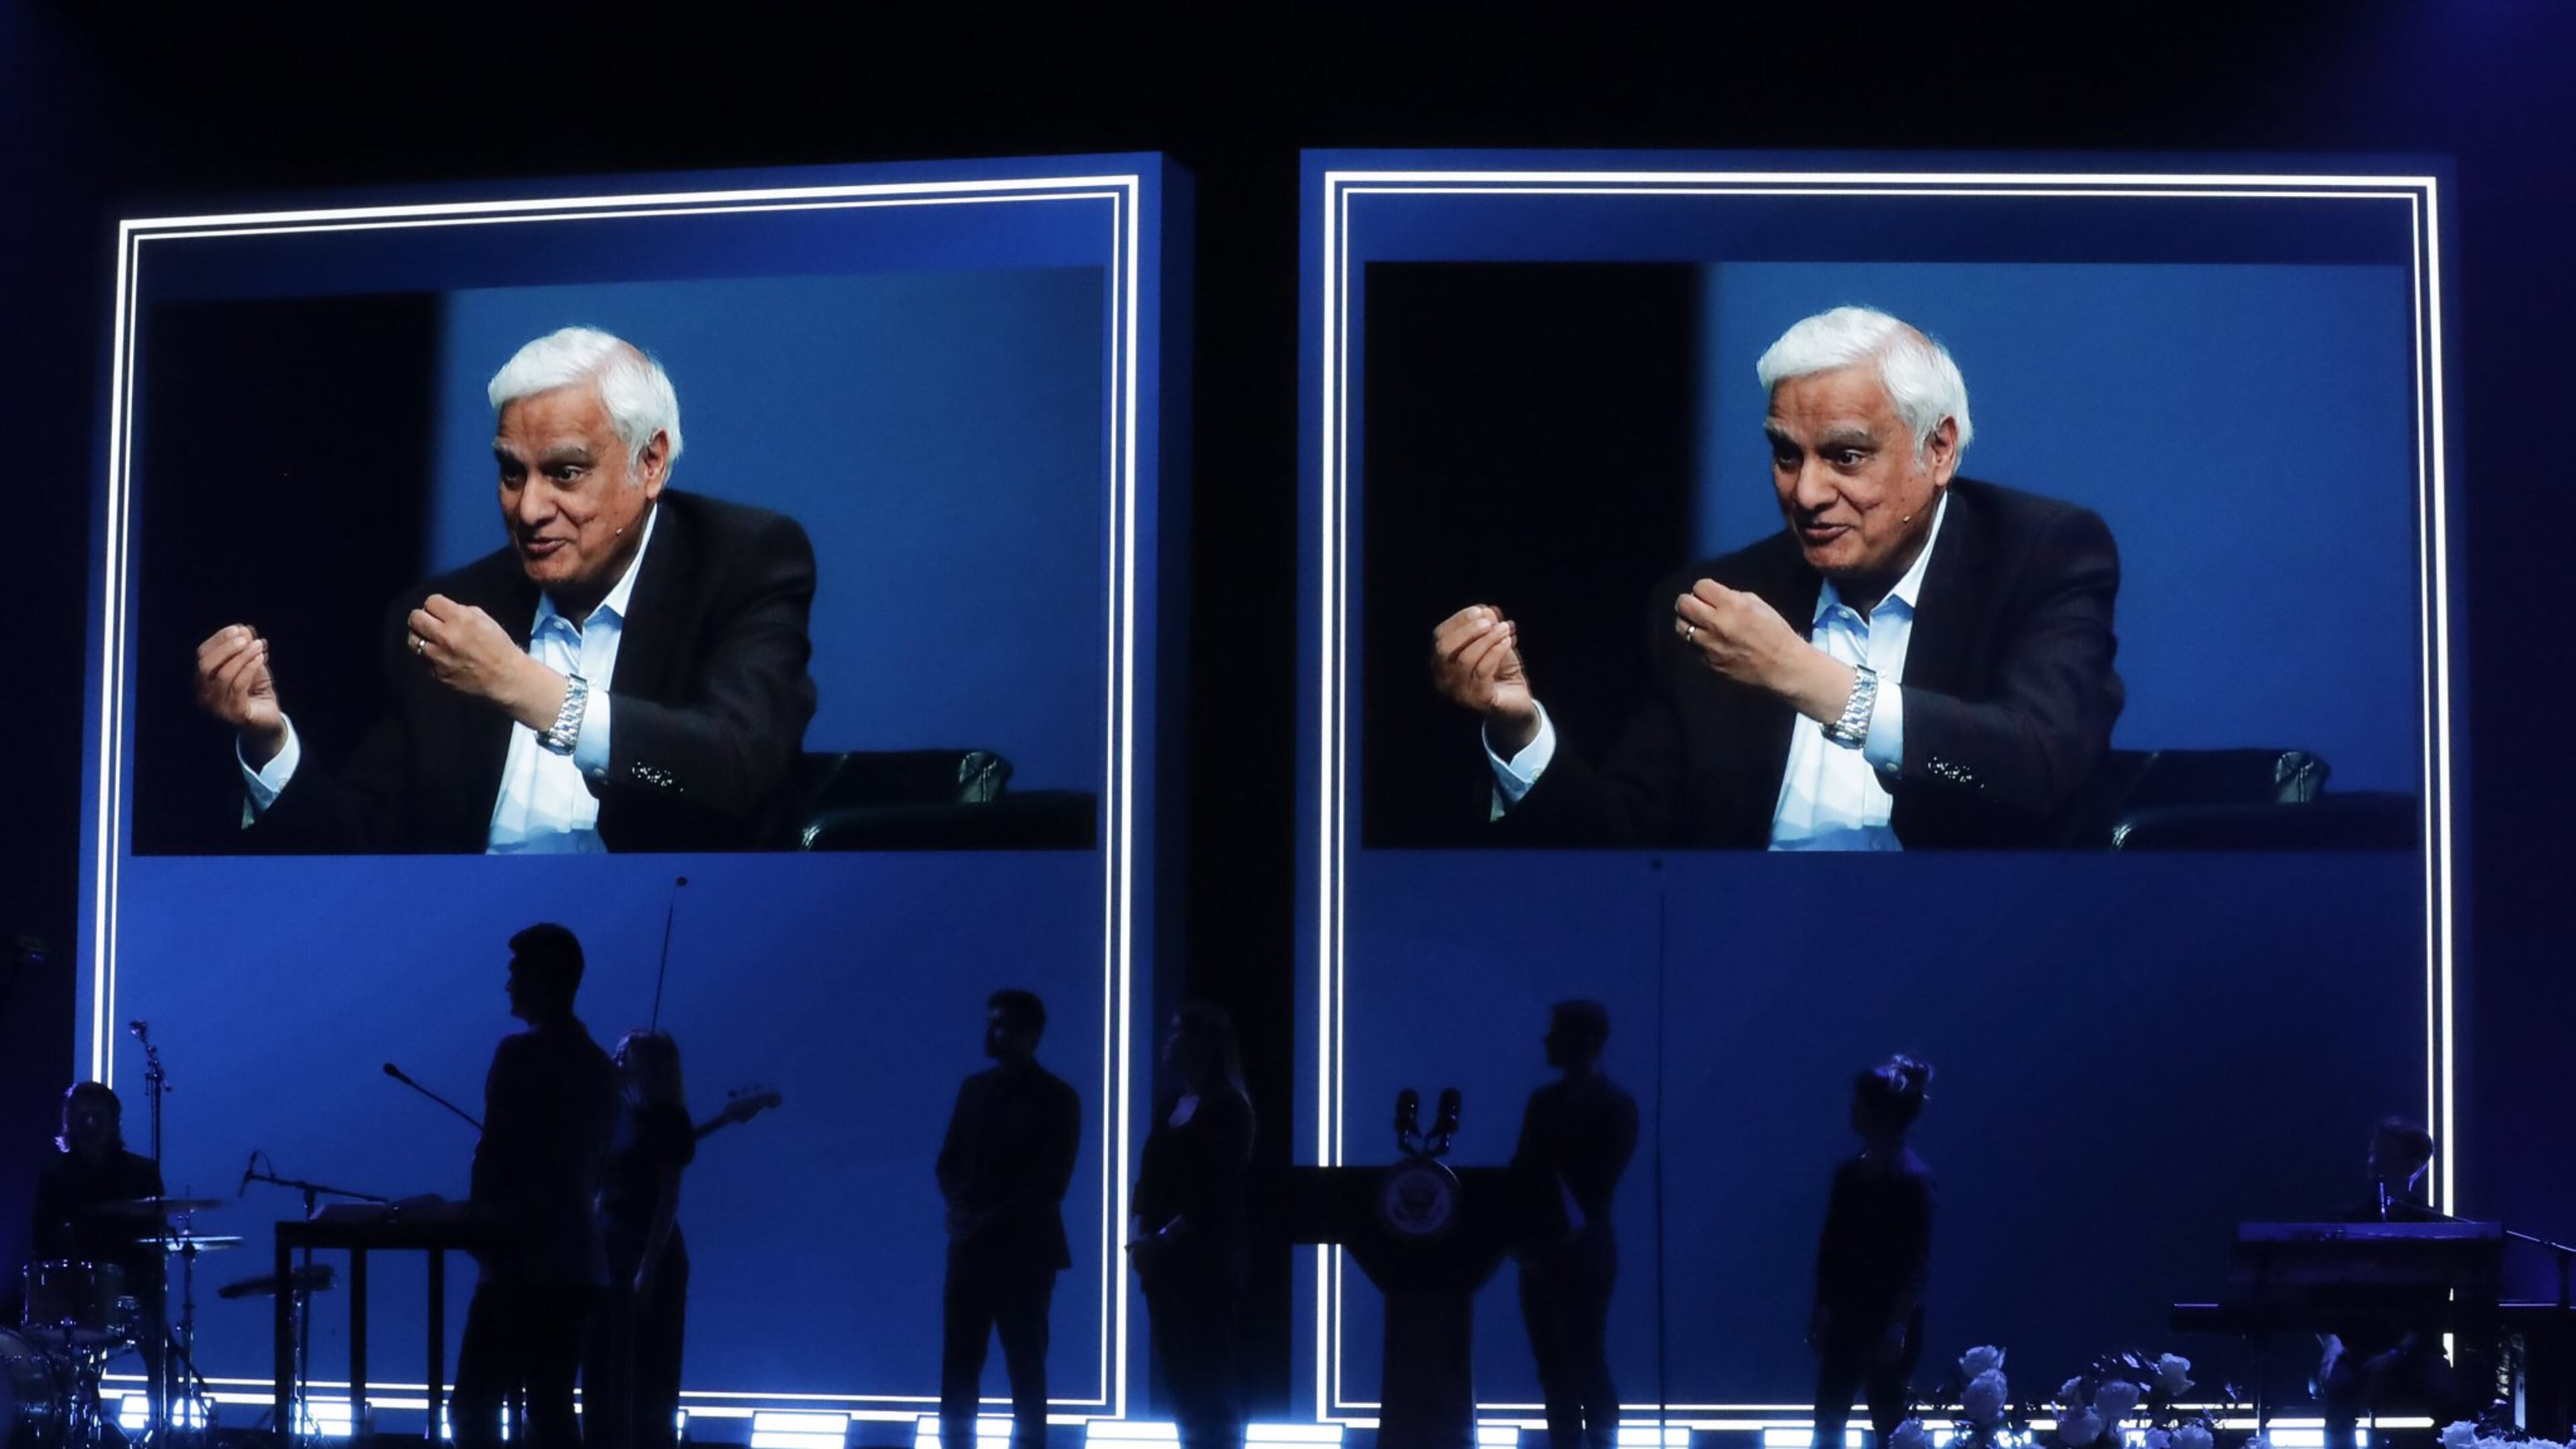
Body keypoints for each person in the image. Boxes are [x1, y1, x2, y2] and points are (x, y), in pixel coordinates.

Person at [1430, 306, 2124, 850]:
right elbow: (1628, 849)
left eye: (1846, 457)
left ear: (1937, 449)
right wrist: (1520, 731)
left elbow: (2041, 766)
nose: (1808, 492)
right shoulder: (1719, 602)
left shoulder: (2041, 554)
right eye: (1786, 456)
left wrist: (1802, 676)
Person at [192, 325, 818, 853]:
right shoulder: (449, 617)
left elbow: (739, 767)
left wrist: (523, 687)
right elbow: (371, 851)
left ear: (650, 463)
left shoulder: (740, 562)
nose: (530, 508)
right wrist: (269, 741)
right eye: (512, 473)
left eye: (565, 473)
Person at [451, 923, 622, 1449]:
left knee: (475, 1407)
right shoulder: (599, 1065)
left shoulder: (518, 1054)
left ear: (542, 981)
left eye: (516, 975)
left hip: (521, 1261)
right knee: (549, 1406)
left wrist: (479, 1229)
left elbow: (497, 1153)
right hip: (578, 1263)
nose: (508, 987)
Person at [937, 991, 1082, 1449]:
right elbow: (948, 1162)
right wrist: (963, 1211)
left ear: (1030, 1033)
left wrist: (976, 1218)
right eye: (991, 1023)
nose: (990, 1033)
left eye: (1000, 1025)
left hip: (1021, 1254)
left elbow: (1051, 1183)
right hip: (983, 1250)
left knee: (1023, 1367)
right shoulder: (975, 1089)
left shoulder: (1058, 1099)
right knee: (966, 1366)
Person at [1509, 1002, 1638, 1449]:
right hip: (1552, 1253)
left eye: (1556, 1033)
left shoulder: (1613, 1106)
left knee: (1582, 1360)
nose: (1547, 1041)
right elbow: (1523, 1172)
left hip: (1577, 1254)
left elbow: (1592, 1183)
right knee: (1558, 1366)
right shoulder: (1561, 1104)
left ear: (1583, 1041)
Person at [1130, 1004, 1256, 1449]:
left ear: (1203, 1043)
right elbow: (1154, 1179)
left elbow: (1214, 1193)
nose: (1167, 1039)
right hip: (1166, 1266)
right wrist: (1143, 1236)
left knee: (1210, 1379)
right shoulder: (1173, 1103)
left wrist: (1162, 1240)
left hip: (1205, 1266)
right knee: (1183, 1381)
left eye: (1176, 1031)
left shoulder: (1228, 1107)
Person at [1809, 1055, 1937, 1449]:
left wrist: (1896, 1326)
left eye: (1859, 1104)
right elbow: (1831, 1249)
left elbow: (1914, 1261)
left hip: (1883, 1318)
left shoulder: (1911, 1182)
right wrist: (1823, 1310)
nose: (1852, 1111)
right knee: (1830, 1415)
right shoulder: (1850, 1175)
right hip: (1848, 1315)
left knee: (1888, 1418)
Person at [584, 1030, 696, 1449]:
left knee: (649, 1368)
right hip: (608, 1248)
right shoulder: (616, 1115)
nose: (615, 1062)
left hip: (644, 1249)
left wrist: (646, 1270)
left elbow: (667, 1201)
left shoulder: (666, 1117)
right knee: (600, 1360)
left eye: (623, 1055)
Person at [2318, 1119, 2460, 1449]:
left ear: (2413, 1166)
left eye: (2384, 1156)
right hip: (2356, 1349)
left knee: (2450, 1395)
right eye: (2372, 1154)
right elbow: (2323, 1292)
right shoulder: (2346, 1221)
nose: (2372, 1162)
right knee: (2340, 1390)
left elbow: (2434, 1305)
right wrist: (2331, 1344)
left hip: (2415, 1351)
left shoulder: (2433, 1226)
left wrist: (2397, 1355)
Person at [30, 1082, 169, 1409]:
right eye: (82, 1117)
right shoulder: (54, 1176)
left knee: (158, 1346)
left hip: (132, 1288)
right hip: (71, 1292)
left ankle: (161, 1423)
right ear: (70, 1123)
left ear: (114, 1122)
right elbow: (41, 1242)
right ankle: (72, 1419)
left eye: (98, 1117)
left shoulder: (142, 1173)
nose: (90, 1124)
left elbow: (155, 1238)